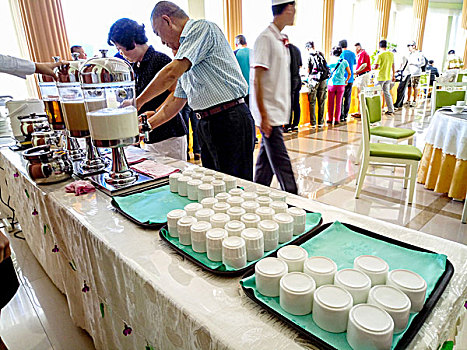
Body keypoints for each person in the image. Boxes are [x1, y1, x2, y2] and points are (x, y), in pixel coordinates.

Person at [136, 1, 255, 181]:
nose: (162, 42)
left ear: (167, 20)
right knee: (213, 185)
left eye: (158, 33)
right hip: (206, 123)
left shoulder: (201, 28)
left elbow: (171, 73)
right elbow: (177, 100)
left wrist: (137, 102)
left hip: (229, 118)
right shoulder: (185, 55)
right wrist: (147, 125)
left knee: (235, 187)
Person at [108, 18, 188, 160]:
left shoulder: (160, 60)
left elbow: (176, 93)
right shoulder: (135, 67)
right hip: (151, 134)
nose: (120, 53)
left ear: (131, 43)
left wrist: (155, 112)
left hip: (168, 133)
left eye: (120, 48)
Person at [250, 0, 297, 194]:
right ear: (287, 8)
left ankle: (255, 195)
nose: (295, 12)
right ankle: (298, 206)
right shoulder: (265, 39)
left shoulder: (279, 39)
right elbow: (257, 80)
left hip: (276, 112)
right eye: (294, 8)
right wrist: (263, 115)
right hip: (269, 114)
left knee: (264, 165)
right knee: (283, 167)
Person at [305, 41, 328, 127]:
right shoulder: (320, 54)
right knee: (321, 101)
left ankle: (313, 123)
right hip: (323, 80)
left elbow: (308, 71)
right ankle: (321, 122)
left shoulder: (309, 56)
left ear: (307, 48)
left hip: (314, 81)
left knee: (312, 102)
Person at [327, 46, 351, 125]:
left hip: (331, 84)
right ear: (341, 53)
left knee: (330, 103)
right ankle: (337, 119)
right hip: (341, 85)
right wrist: (346, 80)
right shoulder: (344, 62)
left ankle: (330, 119)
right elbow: (349, 73)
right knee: (339, 103)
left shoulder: (330, 62)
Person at [284, 35, 302, 133]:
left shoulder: (285, 50)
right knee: (296, 103)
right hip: (298, 79)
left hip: (289, 80)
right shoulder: (297, 49)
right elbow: (300, 65)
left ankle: (288, 126)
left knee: (289, 104)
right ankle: (295, 125)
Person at [374, 40, 395, 116]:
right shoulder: (391, 54)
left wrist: (373, 67)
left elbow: (376, 66)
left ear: (379, 46)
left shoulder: (379, 55)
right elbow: (393, 65)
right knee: (387, 93)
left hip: (380, 76)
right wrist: (394, 75)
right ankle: (390, 110)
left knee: (377, 93)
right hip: (388, 76)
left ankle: (377, 109)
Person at [338, 39, 356, 122]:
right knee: (348, 97)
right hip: (351, 78)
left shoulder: (341, 54)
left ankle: (341, 115)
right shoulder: (352, 54)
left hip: (342, 79)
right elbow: (354, 63)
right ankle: (345, 115)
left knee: (341, 98)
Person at [352, 42, 371, 118]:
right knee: (360, 93)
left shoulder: (363, 53)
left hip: (363, 75)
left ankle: (362, 112)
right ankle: (360, 111)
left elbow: (364, 64)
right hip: (361, 75)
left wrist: (356, 72)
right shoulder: (360, 54)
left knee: (362, 94)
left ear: (358, 47)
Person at [234, 34, 251, 107]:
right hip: (254, 90)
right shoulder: (254, 52)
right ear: (246, 43)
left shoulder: (233, 54)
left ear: (236, 44)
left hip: (241, 91)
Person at [406, 41, 424, 107]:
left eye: (409, 46)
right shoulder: (409, 54)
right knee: (409, 87)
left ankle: (414, 100)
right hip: (410, 72)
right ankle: (408, 100)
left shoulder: (419, 54)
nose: (409, 48)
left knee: (415, 87)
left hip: (416, 72)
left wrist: (414, 63)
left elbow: (423, 63)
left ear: (414, 46)